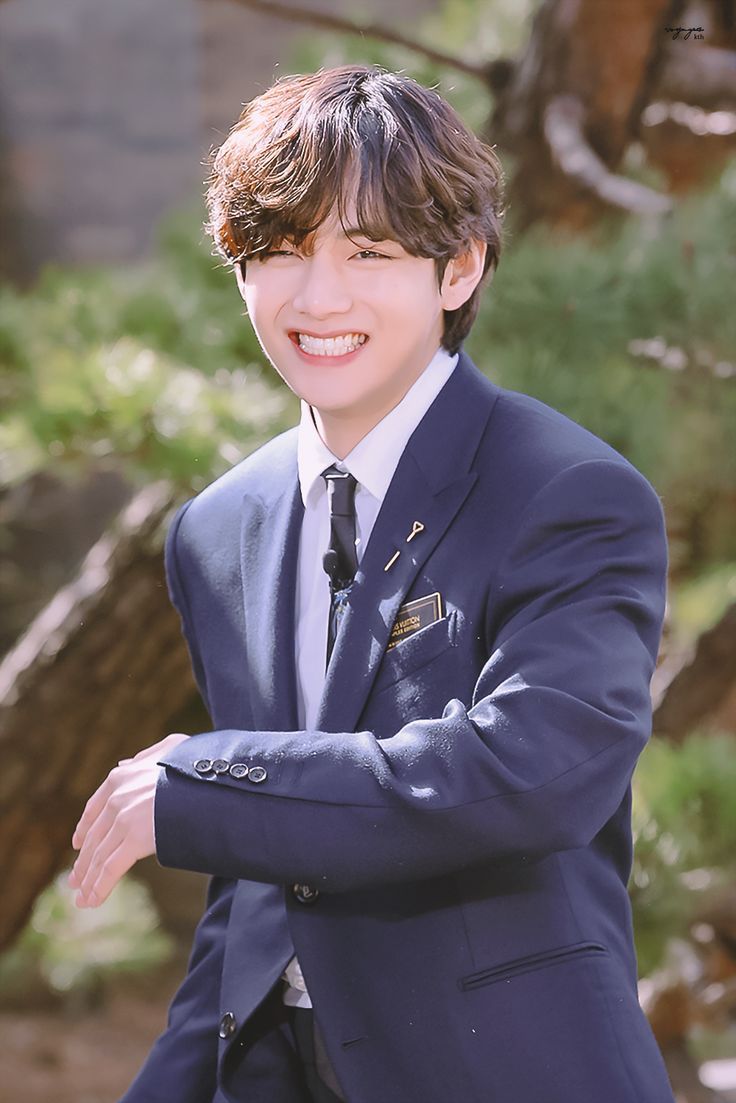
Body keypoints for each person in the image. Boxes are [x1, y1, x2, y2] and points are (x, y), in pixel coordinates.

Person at [69, 64, 676, 1103]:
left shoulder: (570, 491)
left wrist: (212, 777)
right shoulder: (213, 529)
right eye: (280, 252)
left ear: (459, 269)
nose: (318, 298)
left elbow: (527, 772)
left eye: (367, 252)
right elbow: (250, 891)